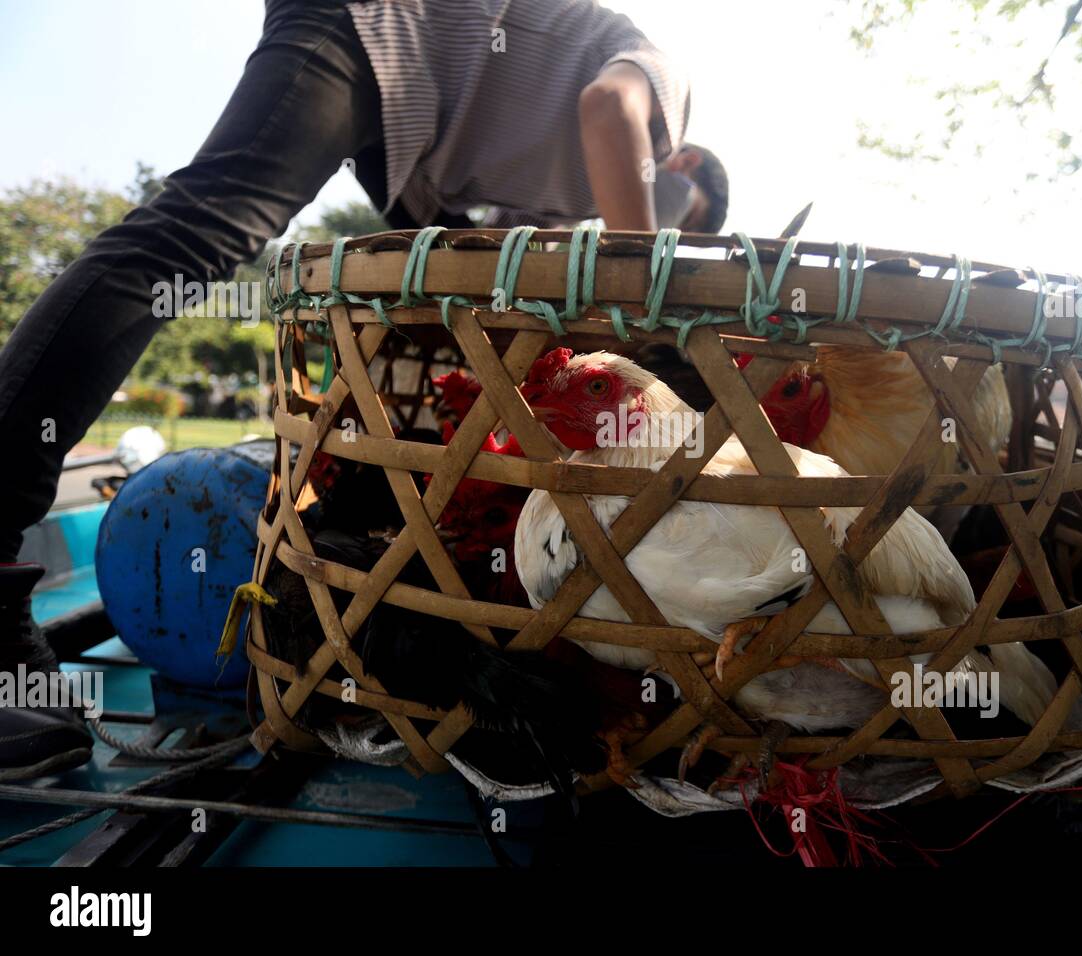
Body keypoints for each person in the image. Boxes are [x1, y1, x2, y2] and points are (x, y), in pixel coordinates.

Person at [0, 0, 729, 781]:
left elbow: (506, 285)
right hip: (380, 25)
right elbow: (608, 106)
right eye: (687, 227)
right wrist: (661, 299)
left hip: (414, 141)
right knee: (200, 233)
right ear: (679, 167)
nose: (667, 239)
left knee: (430, 348)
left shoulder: (567, 192)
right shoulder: (662, 90)